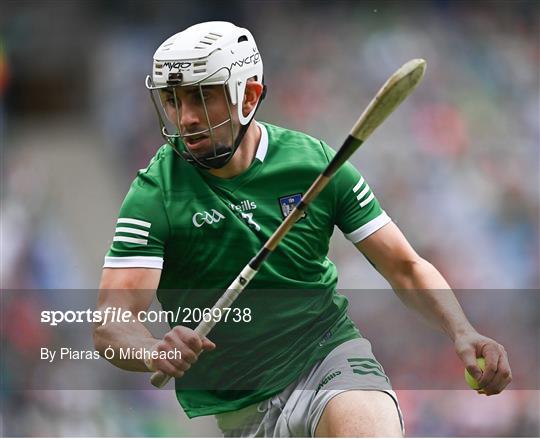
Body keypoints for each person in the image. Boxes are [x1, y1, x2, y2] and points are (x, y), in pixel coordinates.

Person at [94, 21, 512, 437]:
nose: (185, 119)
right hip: (240, 409)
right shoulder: (154, 193)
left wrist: (462, 330)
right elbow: (112, 321)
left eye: (201, 98)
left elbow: (404, 266)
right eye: (172, 100)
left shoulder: (315, 164)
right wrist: (152, 350)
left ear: (249, 96)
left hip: (326, 355)